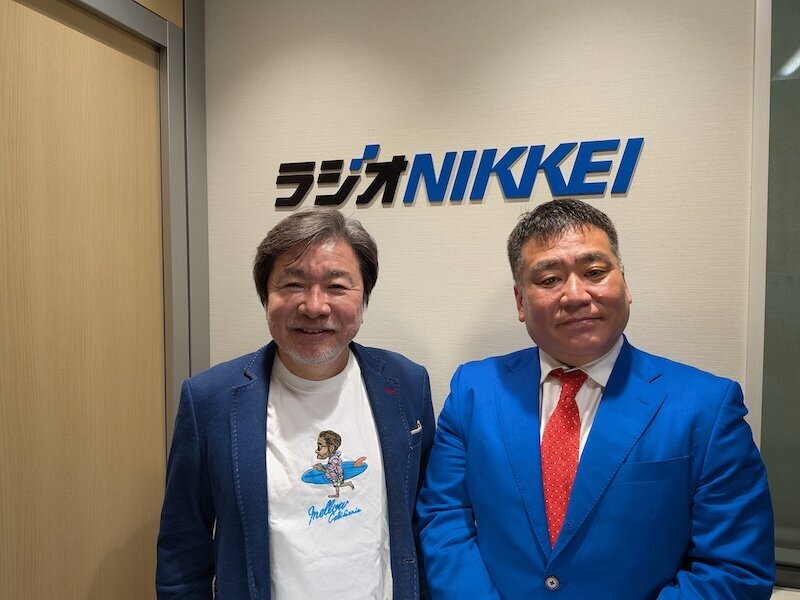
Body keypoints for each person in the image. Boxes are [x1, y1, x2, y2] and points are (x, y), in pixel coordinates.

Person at [416, 198, 774, 599]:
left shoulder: (706, 407)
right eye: (549, 279)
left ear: (625, 284)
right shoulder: (474, 390)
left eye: (595, 272)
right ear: (520, 302)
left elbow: (734, 570)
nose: (575, 294)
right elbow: (444, 518)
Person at [157, 209, 435, 599]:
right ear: (266, 296)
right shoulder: (209, 400)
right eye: (292, 284)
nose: (314, 306)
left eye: (336, 286)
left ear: (363, 296)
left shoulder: (406, 384)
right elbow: (182, 550)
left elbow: (426, 520)